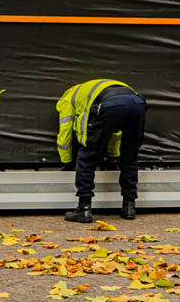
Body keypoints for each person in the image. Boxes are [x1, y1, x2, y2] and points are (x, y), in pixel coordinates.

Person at [56, 79, 146, 223]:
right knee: (130, 157)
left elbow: (65, 131)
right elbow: (115, 132)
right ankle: (129, 207)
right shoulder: (99, 86)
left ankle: (84, 210)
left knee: (87, 156)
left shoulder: (67, 99)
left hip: (110, 105)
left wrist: (66, 161)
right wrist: (113, 157)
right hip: (138, 103)